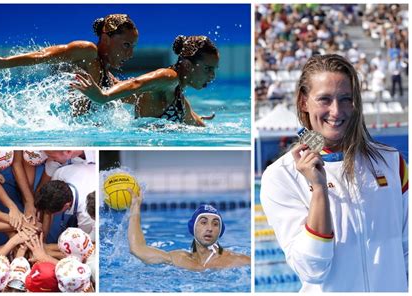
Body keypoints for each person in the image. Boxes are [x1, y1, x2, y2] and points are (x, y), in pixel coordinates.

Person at [260, 54, 408, 292]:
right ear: (303, 103)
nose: (336, 111)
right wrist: (319, 190)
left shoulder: (391, 162)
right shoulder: (281, 176)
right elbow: (312, 269)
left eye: (346, 99)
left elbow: (407, 250)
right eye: (325, 99)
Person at [0, 14, 138, 115]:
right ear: (106, 38)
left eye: (132, 47)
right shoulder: (87, 52)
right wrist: (3, 63)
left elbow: (137, 95)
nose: (130, 54)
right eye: (126, 45)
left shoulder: (109, 79)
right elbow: (43, 55)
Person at [70, 35, 218, 126]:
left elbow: (195, 123)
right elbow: (136, 84)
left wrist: (199, 120)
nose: (212, 76)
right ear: (187, 65)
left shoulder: (179, 98)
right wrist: (103, 97)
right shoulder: (168, 77)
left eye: (214, 70)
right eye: (208, 69)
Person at [128, 190, 250, 271]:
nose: (209, 228)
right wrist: (135, 207)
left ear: (220, 231)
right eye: (203, 222)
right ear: (193, 227)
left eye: (215, 224)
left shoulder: (236, 260)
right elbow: (138, 249)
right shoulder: (180, 259)